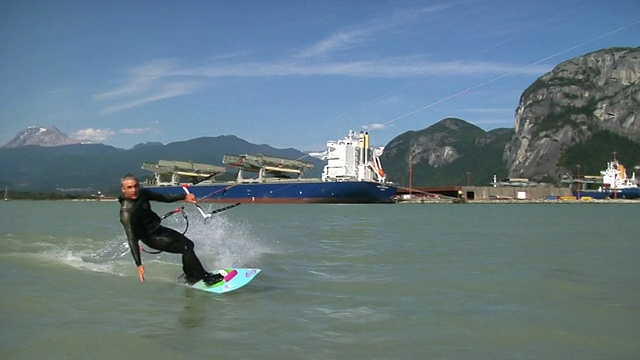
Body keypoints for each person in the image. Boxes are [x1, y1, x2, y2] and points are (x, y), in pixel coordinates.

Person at [118, 174, 223, 286]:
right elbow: (131, 238)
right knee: (186, 248)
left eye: (135, 186)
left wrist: (184, 197)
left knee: (189, 245)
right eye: (129, 187)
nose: (134, 190)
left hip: (159, 229)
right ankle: (207, 279)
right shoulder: (126, 213)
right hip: (151, 238)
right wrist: (139, 264)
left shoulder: (143, 194)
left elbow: (164, 198)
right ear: (123, 189)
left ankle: (191, 275)